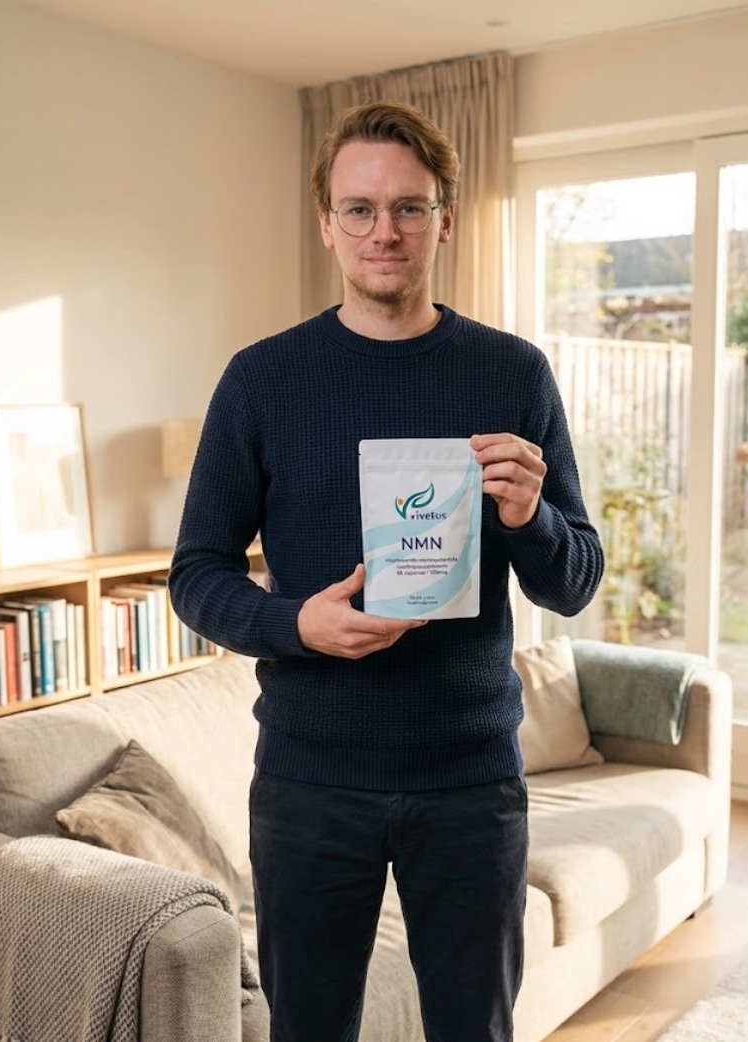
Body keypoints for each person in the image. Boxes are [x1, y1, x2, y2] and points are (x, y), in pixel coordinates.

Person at [169, 99, 604, 1042]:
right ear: (326, 223)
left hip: (470, 782)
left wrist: (529, 517)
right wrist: (296, 626)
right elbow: (195, 573)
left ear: (445, 217)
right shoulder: (262, 379)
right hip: (310, 780)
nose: (385, 231)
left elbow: (572, 582)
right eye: (359, 208)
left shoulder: (513, 373)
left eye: (409, 207)